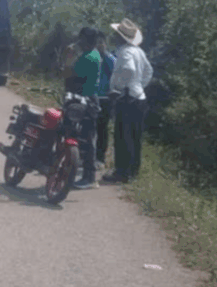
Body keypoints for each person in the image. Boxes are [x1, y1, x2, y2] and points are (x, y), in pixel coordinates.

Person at [102, 18, 154, 184]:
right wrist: (138, 86)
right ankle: (132, 171)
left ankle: (121, 172)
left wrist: (120, 87)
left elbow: (129, 69)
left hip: (127, 98)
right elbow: (148, 72)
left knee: (122, 136)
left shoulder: (125, 51)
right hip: (139, 97)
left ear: (120, 37)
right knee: (135, 136)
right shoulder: (138, 51)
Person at [62, 27, 102, 189]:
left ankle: (89, 177)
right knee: (82, 136)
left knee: (85, 138)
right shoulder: (92, 55)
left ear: (86, 40)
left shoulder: (88, 58)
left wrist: (69, 58)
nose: (78, 41)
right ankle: (74, 168)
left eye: (81, 39)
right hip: (85, 98)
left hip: (83, 100)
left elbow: (68, 74)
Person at [94, 31, 117, 169]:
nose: (99, 45)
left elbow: (115, 77)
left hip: (104, 99)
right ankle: (84, 155)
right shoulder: (92, 57)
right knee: (88, 127)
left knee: (101, 129)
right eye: (96, 43)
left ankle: (100, 158)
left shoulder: (110, 59)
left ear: (105, 44)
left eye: (101, 42)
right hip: (91, 96)